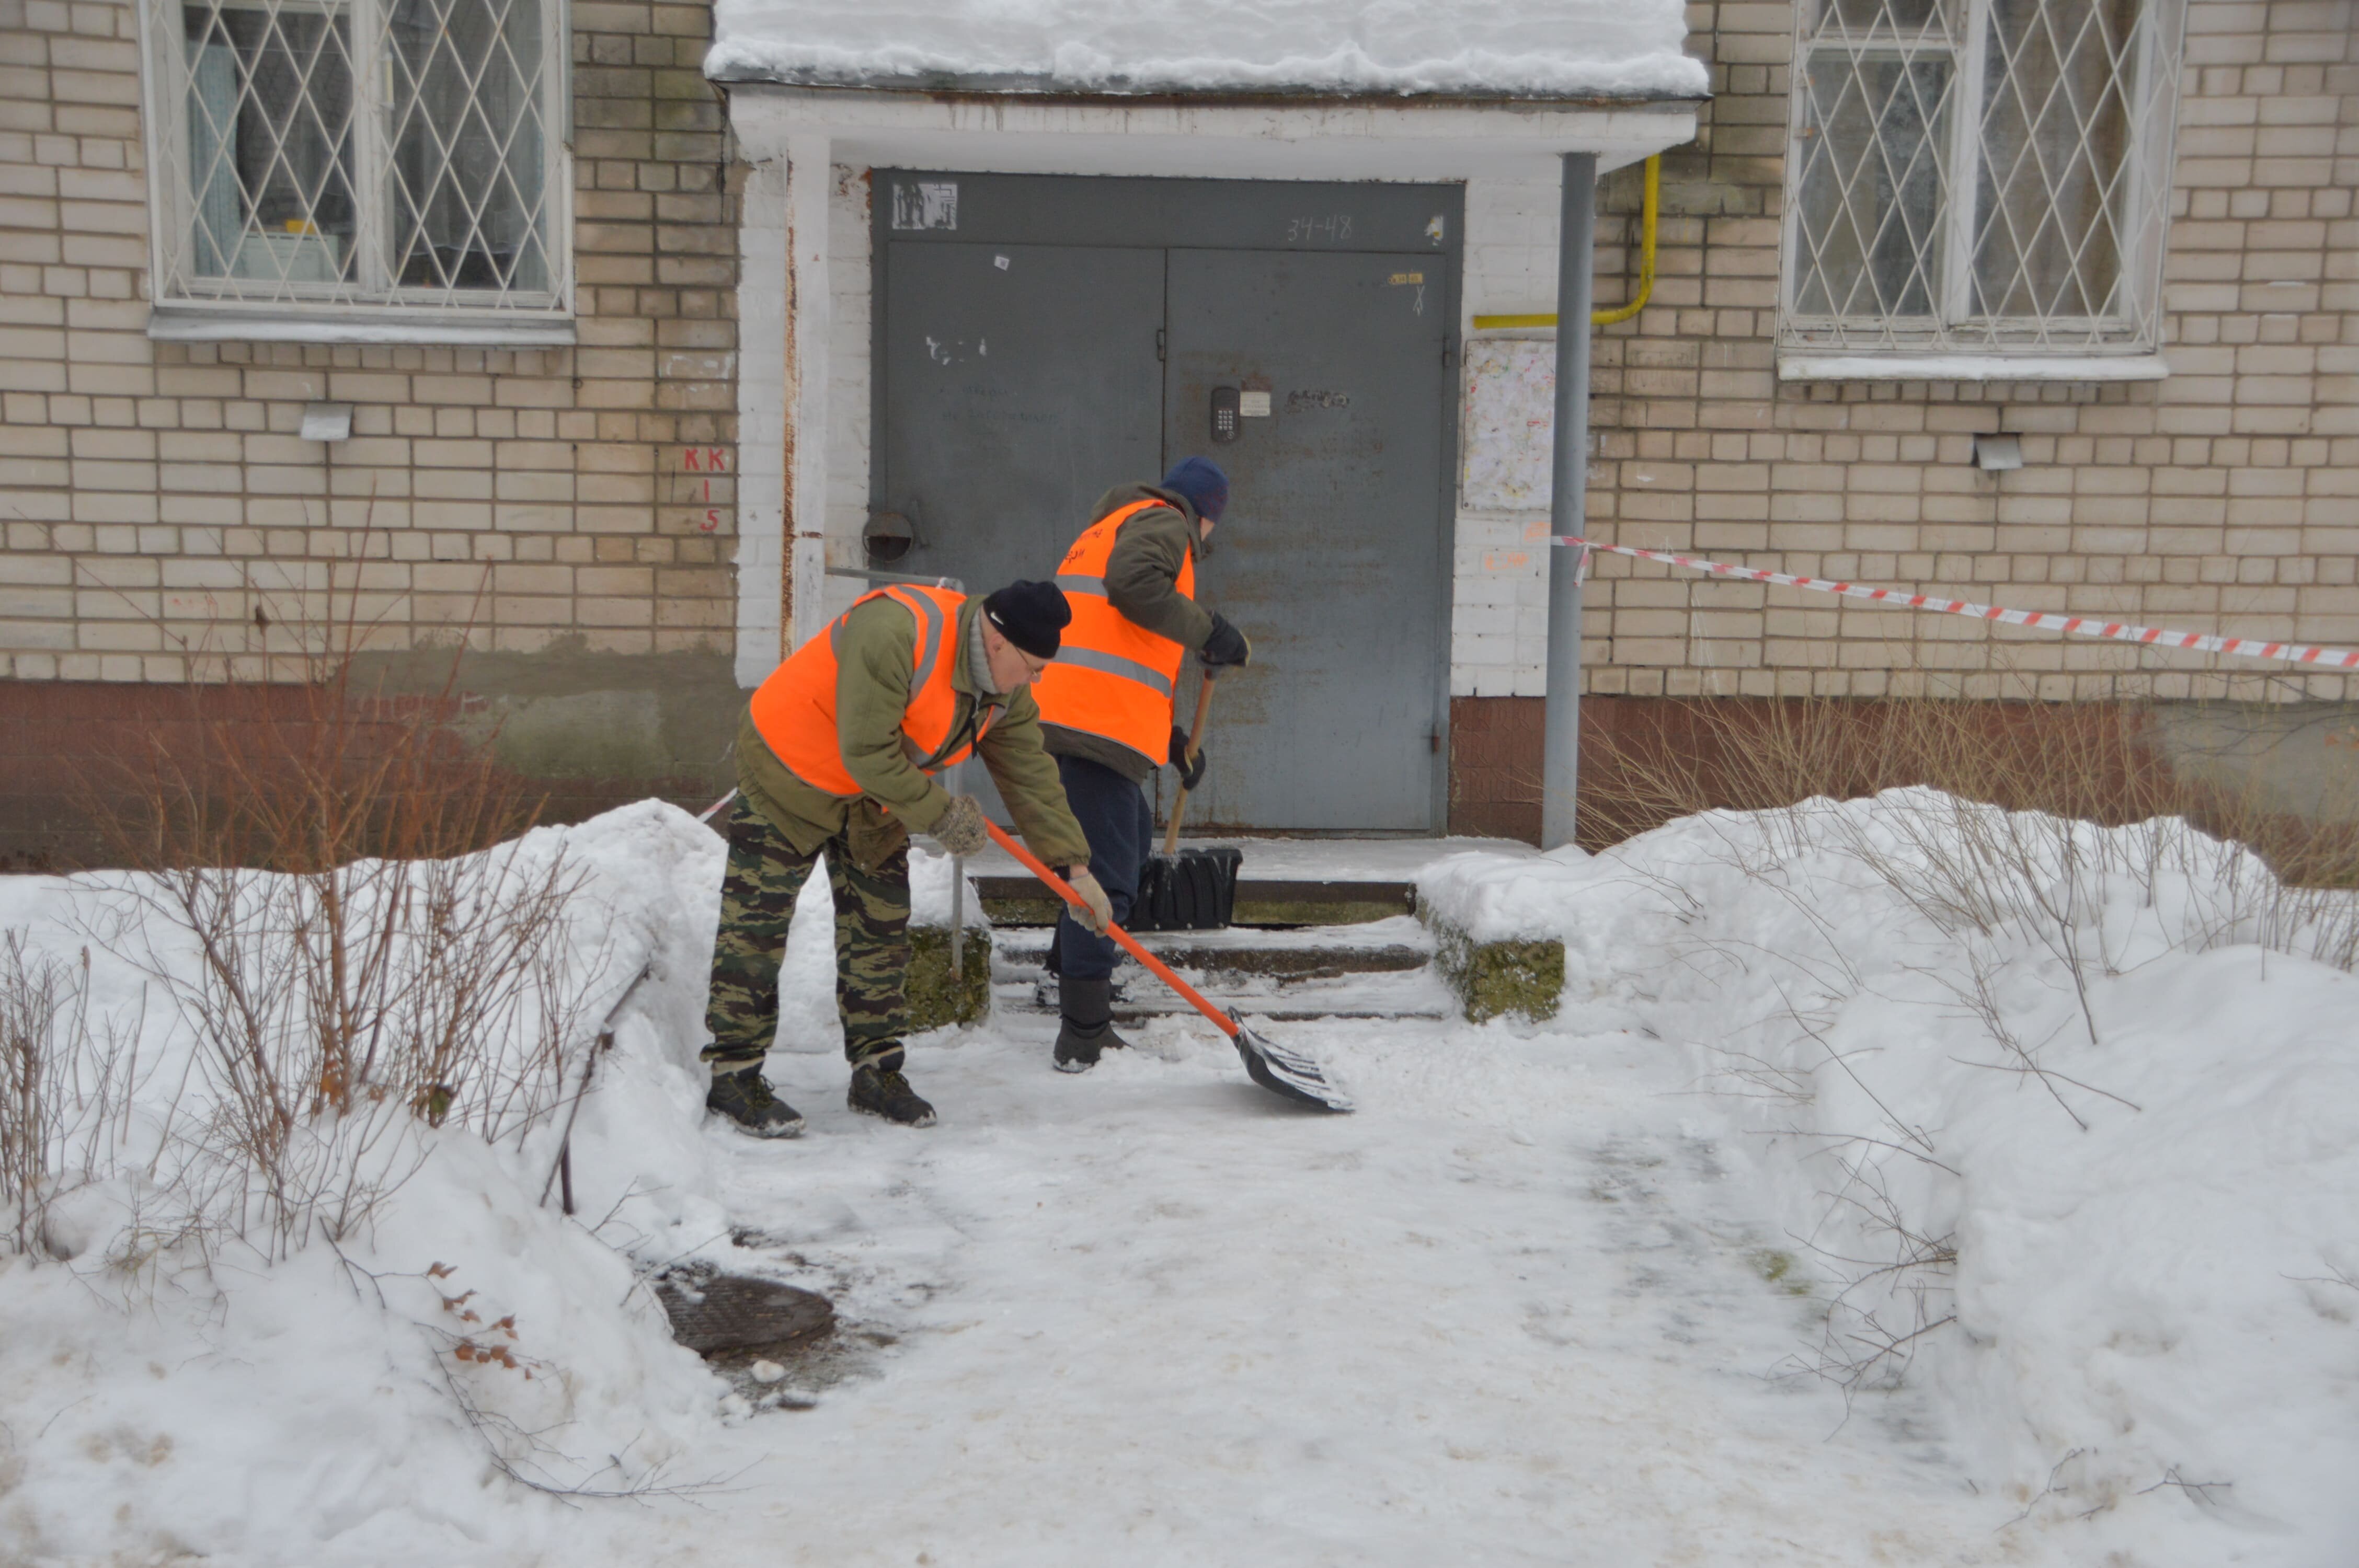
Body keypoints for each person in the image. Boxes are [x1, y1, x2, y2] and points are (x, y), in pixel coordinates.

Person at [702, 579, 1111, 1135]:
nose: (1036, 680)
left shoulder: (1003, 690)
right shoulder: (897, 631)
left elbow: (1031, 777)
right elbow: (867, 751)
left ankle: (876, 1073)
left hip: (874, 799)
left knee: (880, 925)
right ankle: (734, 1075)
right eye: (1034, 667)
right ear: (997, 643)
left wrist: (1075, 869)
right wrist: (941, 814)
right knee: (758, 923)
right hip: (790, 773)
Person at [1029, 457, 1252, 1073]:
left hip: (1084, 716)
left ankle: (1065, 979)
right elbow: (1133, 588)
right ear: (1206, 514)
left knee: (1104, 862)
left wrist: (1172, 741)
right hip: (1092, 726)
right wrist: (1210, 631)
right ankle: (1083, 1031)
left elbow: (1112, 648)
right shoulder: (1166, 523)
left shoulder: (1111, 524)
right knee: (1107, 878)